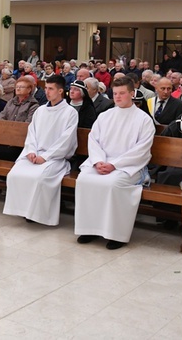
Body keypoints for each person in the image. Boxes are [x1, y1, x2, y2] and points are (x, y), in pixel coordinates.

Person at [74, 76, 156, 250]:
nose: (117, 97)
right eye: (115, 93)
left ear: (132, 94)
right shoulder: (105, 116)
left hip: (130, 167)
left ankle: (116, 234)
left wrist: (114, 165)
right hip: (102, 163)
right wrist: (98, 161)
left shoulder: (144, 120)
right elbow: (93, 140)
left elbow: (141, 150)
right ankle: (90, 229)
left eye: (122, 93)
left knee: (113, 184)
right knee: (84, 179)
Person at [2, 75, 79, 226]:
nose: (47, 92)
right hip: (34, 154)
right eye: (46, 89)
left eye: (51, 89)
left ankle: (38, 214)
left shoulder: (69, 112)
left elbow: (66, 139)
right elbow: (32, 133)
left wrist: (46, 156)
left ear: (61, 91)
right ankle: (23, 209)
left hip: (55, 158)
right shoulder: (41, 111)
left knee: (40, 178)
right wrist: (31, 151)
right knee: (15, 174)